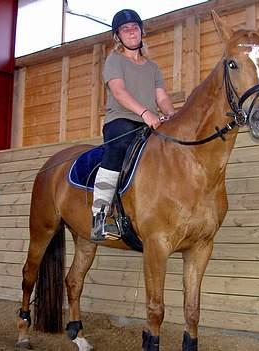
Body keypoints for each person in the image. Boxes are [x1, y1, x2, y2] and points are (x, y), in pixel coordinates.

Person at [91, 9, 175, 241]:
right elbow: (119, 91)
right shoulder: (114, 60)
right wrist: (145, 113)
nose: (131, 31)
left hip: (150, 124)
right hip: (120, 121)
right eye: (125, 28)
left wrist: (172, 116)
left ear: (141, 31)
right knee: (118, 147)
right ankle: (99, 216)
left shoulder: (153, 67)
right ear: (118, 36)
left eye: (135, 27)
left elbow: (162, 98)